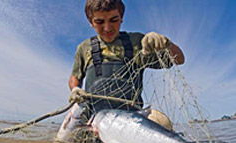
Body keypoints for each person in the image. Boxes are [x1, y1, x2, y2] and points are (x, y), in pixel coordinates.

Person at [68, 0, 185, 130]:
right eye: (100, 22)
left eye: (113, 20)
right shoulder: (84, 48)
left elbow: (179, 59)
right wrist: (75, 89)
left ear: (122, 18)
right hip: (94, 122)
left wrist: (166, 43)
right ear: (90, 22)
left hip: (131, 122)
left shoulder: (138, 42)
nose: (107, 28)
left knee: (164, 125)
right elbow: (75, 78)